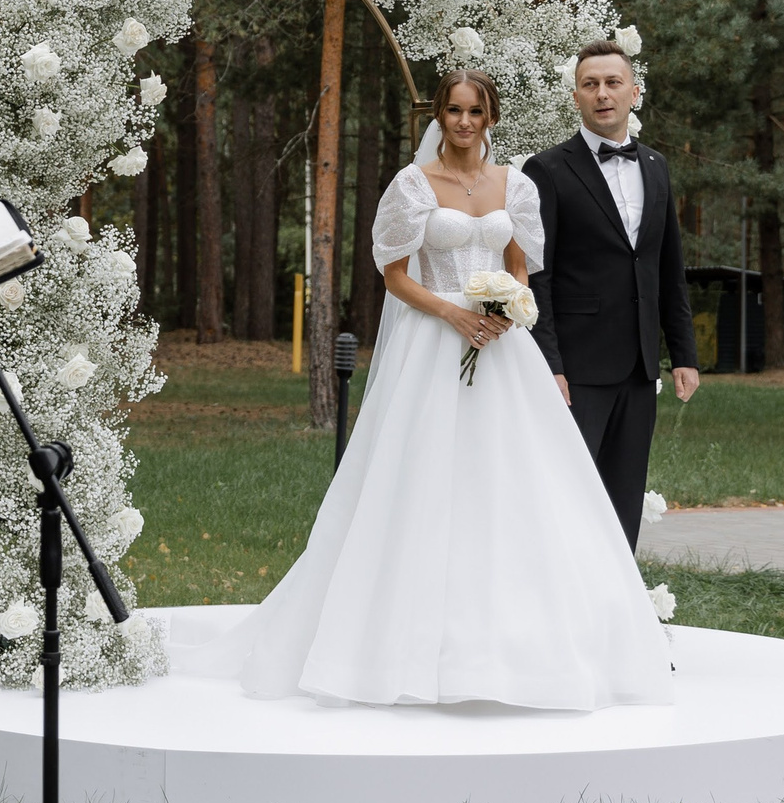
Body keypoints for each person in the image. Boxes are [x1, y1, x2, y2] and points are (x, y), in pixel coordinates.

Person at [197, 71, 675, 710]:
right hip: (434, 343)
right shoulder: (413, 185)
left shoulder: (517, 185)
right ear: (440, 116)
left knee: (519, 484)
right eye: (454, 110)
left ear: (491, 116)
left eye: (476, 111)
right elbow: (393, 276)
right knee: (423, 480)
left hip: (503, 350)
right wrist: (453, 313)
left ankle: (528, 645)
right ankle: (396, 643)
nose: (464, 122)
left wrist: (509, 307)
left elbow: (518, 267)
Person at [522, 40, 703, 547]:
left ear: (634, 93)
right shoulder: (547, 170)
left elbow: (668, 267)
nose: (603, 94)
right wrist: (550, 363)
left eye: (613, 83)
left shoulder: (657, 166)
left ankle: (615, 612)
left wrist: (682, 353)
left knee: (624, 498)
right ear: (576, 97)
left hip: (641, 365)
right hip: (576, 368)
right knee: (567, 494)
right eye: (590, 85)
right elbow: (538, 277)